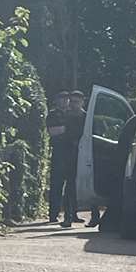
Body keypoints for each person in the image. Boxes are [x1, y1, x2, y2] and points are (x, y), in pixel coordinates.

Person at [58, 89, 87, 227]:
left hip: (84, 154)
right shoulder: (66, 116)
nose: (74, 104)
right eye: (72, 102)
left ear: (82, 102)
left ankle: (78, 214)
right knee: (69, 185)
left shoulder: (86, 117)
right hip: (69, 154)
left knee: (84, 183)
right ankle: (68, 217)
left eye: (77, 102)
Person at [45, 91, 70, 222]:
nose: (65, 101)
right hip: (59, 152)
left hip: (72, 151)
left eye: (66, 99)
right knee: (56, 184)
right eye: (62, 99)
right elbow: (52, 131)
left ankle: (71, 214)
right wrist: (68, 128)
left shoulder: (72, 114)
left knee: (71, 185)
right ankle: (53, 214)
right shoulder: (53, 115)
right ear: (57, 100)